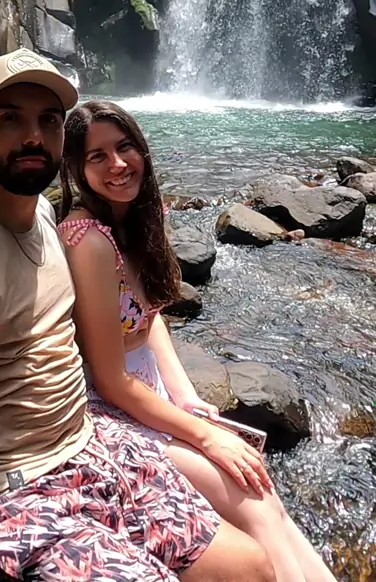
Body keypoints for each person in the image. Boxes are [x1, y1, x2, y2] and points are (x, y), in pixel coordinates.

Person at [0, 49, 276, 582]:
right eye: (10, 119)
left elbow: (133, 312)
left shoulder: (43, 213)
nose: (33, 137)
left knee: (252, 567)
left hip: (88, 444)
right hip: (6, 490)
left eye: (48, 121)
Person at [58, 99, 337, 582]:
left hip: (147, 394)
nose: (117, 164)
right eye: (97, 156)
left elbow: (149, 319)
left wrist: (186, 397)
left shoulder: (128, 221)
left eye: (124, 147)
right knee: (253, 502)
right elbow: (110, 378)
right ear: (77, 170)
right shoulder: (90, 242)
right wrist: (203, 433)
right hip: (111, 410)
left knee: (262, 493)